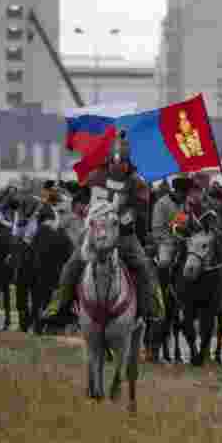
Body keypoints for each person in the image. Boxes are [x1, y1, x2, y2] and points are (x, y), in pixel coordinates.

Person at [51, 133, 161, 323]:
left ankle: (150, 309)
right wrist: (82, 208)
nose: (118, 167)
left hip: (124, 237)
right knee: (72, 265)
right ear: (109, 160)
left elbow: (140, 209)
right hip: (94, 235)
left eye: (122, 163)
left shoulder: (137, 182)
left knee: (143, 266)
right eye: (114, 163)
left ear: (128, 163)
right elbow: (79, 199)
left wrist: (122, 219)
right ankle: (61, 307)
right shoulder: (95, 176)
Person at [152, 177, 192, 275]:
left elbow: (187, 223)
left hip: (185, 240)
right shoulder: (161, 204)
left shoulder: (185, 204)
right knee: (164, 262)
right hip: (166, 242)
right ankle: (163, 288)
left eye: (187, 194)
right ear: (177, 191)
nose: (186, 197)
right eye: (184, 194)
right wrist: (174, 238)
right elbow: (157, 229)